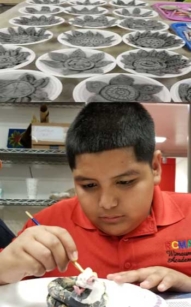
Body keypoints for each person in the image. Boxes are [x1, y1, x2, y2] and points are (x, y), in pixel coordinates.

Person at [1, 102, 191, 292]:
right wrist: (3, 270)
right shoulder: (45, 224)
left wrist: (187, 284)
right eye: (89, 186)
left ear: (155, 167)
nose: (107, 203)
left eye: (125, 182)